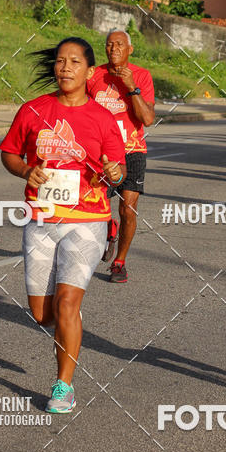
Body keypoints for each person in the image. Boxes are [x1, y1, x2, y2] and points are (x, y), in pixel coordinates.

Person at [0, 37, 126, 414]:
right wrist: (26, 170)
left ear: (90, 72)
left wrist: (113, 171)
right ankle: (68, 318)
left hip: (88, 218)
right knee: (43, 315)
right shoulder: (33, 110)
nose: (65, 67)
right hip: (41, 218)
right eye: (60, 61)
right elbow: (9, 153)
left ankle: (63, 386)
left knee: (68, 304)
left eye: (74, 62)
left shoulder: (103, 119)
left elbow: (117, 170)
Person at [87, 30, 155, 284]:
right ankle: (108, 229)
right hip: (99, 153)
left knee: (128, 208)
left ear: (130, 49)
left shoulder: (142, 76)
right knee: (94, 205)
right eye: (108, 44)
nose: (113, 48)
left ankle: (119, 262)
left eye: (119, 44)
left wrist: (131, 88)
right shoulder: (94, 76)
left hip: (132, 150)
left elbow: (146, 119)